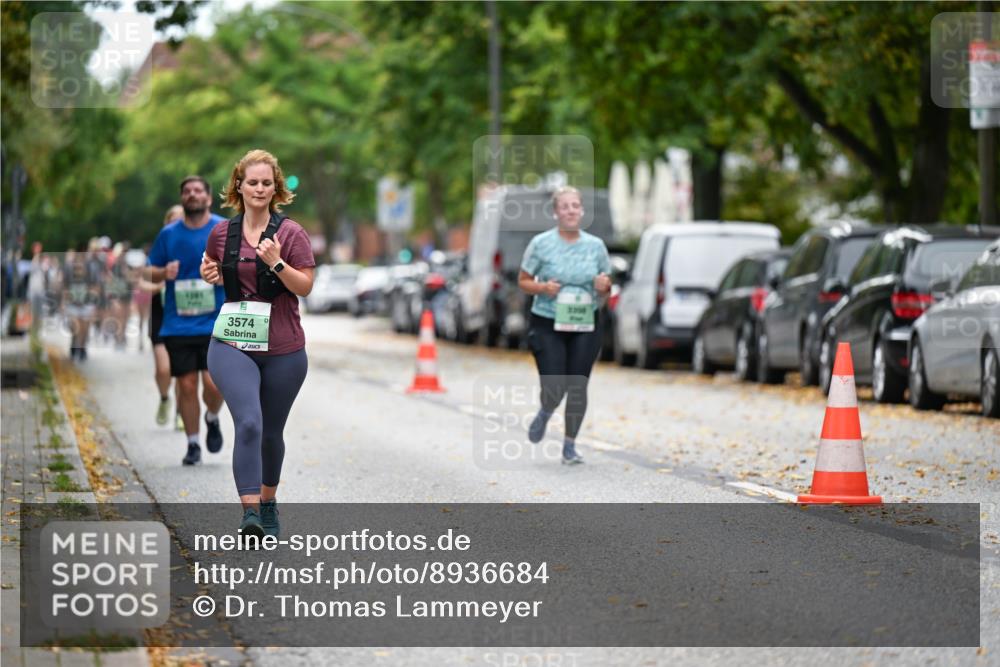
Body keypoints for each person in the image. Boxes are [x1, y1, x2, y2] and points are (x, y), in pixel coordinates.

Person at [201, 149, 314, 538]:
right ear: (239, 185)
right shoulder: (221, 233)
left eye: (267, 182)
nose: (260, 188)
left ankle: (268, 502)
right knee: (248, 421)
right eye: (253, 182)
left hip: (284, 349)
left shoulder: (291, 234)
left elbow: (306, 286)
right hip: (232, 342)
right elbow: (213, 267)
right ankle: (249, 512)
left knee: (270, 432)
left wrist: (278, 263)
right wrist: (209, 273)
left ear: (276, 187)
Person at [518, 186, 612, 465]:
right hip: (548, 322)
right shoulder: (541, 244)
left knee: (578, 385)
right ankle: (546, 410)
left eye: (575, 206)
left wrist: (603, 286)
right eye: (565, 206)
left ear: (582, 211)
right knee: (555, 385)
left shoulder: (595, 246)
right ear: (556, 212)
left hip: (585, 322)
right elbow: (523, 281)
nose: (570, 211)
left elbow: (606, 286)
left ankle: (569, 445)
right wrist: (543, 287)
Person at [146, 178, 227, 465]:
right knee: (188, 385)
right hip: (177, 324)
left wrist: (222, 270)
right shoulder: (168, 235)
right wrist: (163, 272)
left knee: (215, 384)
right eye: (187, 191)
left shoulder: (223, 229)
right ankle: (193, 443)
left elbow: (242, 266)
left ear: (208, 198)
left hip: (216, 322)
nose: (192, 195)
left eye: (198, 191)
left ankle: (213, 416)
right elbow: (148, 274)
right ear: (182, 198)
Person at [139, 205, 184, 426]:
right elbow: (141, 280)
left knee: (184, 372)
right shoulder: (160, 250)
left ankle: (181, 411)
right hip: (161, 316)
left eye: (181, 220)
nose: (177, 225)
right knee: (164, 368)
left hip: (186, 316)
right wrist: (158, 286)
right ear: (167, 224)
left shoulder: (193, 247)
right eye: (173, 221)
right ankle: (165, 398)